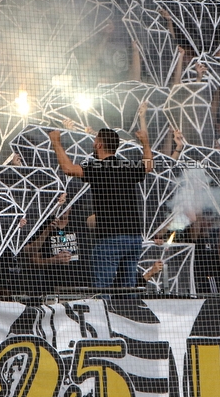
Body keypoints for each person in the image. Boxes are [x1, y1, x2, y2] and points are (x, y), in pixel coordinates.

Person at [49, 123, 153, 289]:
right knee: (127, 287)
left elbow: (68, 169)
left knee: (102, 289)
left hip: (110, 237)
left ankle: (103, 314)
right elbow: (148, 166)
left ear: (99, 144)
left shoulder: (98, 168)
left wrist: (55, 142)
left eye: (94, 141)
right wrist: (146, 143)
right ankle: (127, 311)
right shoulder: (126, 166)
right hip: (134, 237)